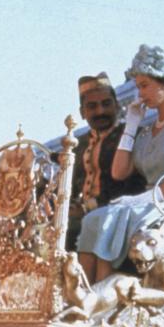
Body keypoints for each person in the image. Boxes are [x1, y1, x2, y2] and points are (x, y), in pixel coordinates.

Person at [77, 44, 164, 283]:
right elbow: (119, 171)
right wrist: (132, 125)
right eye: (138, 87)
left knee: (108, 219)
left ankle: (103, 294)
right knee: (92, 220)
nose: (140, 94)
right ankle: (86, 294)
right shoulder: (145, 131)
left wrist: (140, 200)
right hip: (147, 201)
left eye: (145, 86)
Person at [67, 72, 146, 252]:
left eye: (106, 104)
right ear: (82, 112)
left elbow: (135, 184)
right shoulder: (77, 145)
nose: (100, 111)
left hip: (117, 215)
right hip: (81, 218)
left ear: (117, 106)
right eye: (92, 106)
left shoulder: (132, 136)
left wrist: (88, 207)